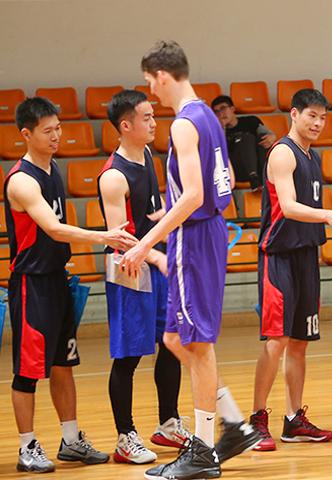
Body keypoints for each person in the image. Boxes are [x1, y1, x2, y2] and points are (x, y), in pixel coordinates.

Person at [123, 40, 262, 480]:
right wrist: (172, 211)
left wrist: (147, 242)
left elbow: (195, 195)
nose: (151, 92)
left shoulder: (185, 124)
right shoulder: (207, 115)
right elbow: (214, 184)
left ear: (163, 76)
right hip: (203, 231)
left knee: (197, 344)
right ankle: (234, 423)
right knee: (175, 340)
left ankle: (202, 450)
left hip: (195, 238)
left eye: (150, 83)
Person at [6, 97, 137, 473]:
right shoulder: (21, 181)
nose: (57, 136)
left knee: (64, 363)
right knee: (29, 371)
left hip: (58, 282)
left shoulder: (54, 169)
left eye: (59, 128)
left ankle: (71, 439)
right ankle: (27, 446)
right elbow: (52, 227)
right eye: (48, 131)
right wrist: (104, 237)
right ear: (26, 134)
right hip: (33, 285)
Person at [248, 88, 332, 450]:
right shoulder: (282, 153)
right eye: (311, 115)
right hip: (278, 256)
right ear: (294, 114)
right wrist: (328, 214)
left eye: (323, 117)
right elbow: (290, 207)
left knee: (300, 343)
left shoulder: (314, 156)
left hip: (306, 255)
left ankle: (294, 419)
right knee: (276, 341)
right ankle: (256, 420)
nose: (318, 123)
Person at [98, 90, 191, 465]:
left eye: (154, 117)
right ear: (126, 125)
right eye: (147, 118)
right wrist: (155, 255)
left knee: (170, 344)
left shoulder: (149, 156)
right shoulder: (113, 177)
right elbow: (119, 236)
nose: (155, 123)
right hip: (130, 270)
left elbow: (149, 212)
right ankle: (125, 436)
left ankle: (168, 421)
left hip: (156, 264)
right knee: (130, 356)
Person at [211, 95, 277, 189]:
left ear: (232, 109)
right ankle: (255, 177)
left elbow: (269, 135)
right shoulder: (217, 131)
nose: (221, 113)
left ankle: (264, 177)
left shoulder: (251, 121)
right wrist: (221, 128)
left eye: (223, 108)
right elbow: (219, 153)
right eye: (216, 111)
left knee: (262, 138)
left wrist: (272, 137)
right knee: (246, 138)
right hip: (237, 169)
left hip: (259, 164)